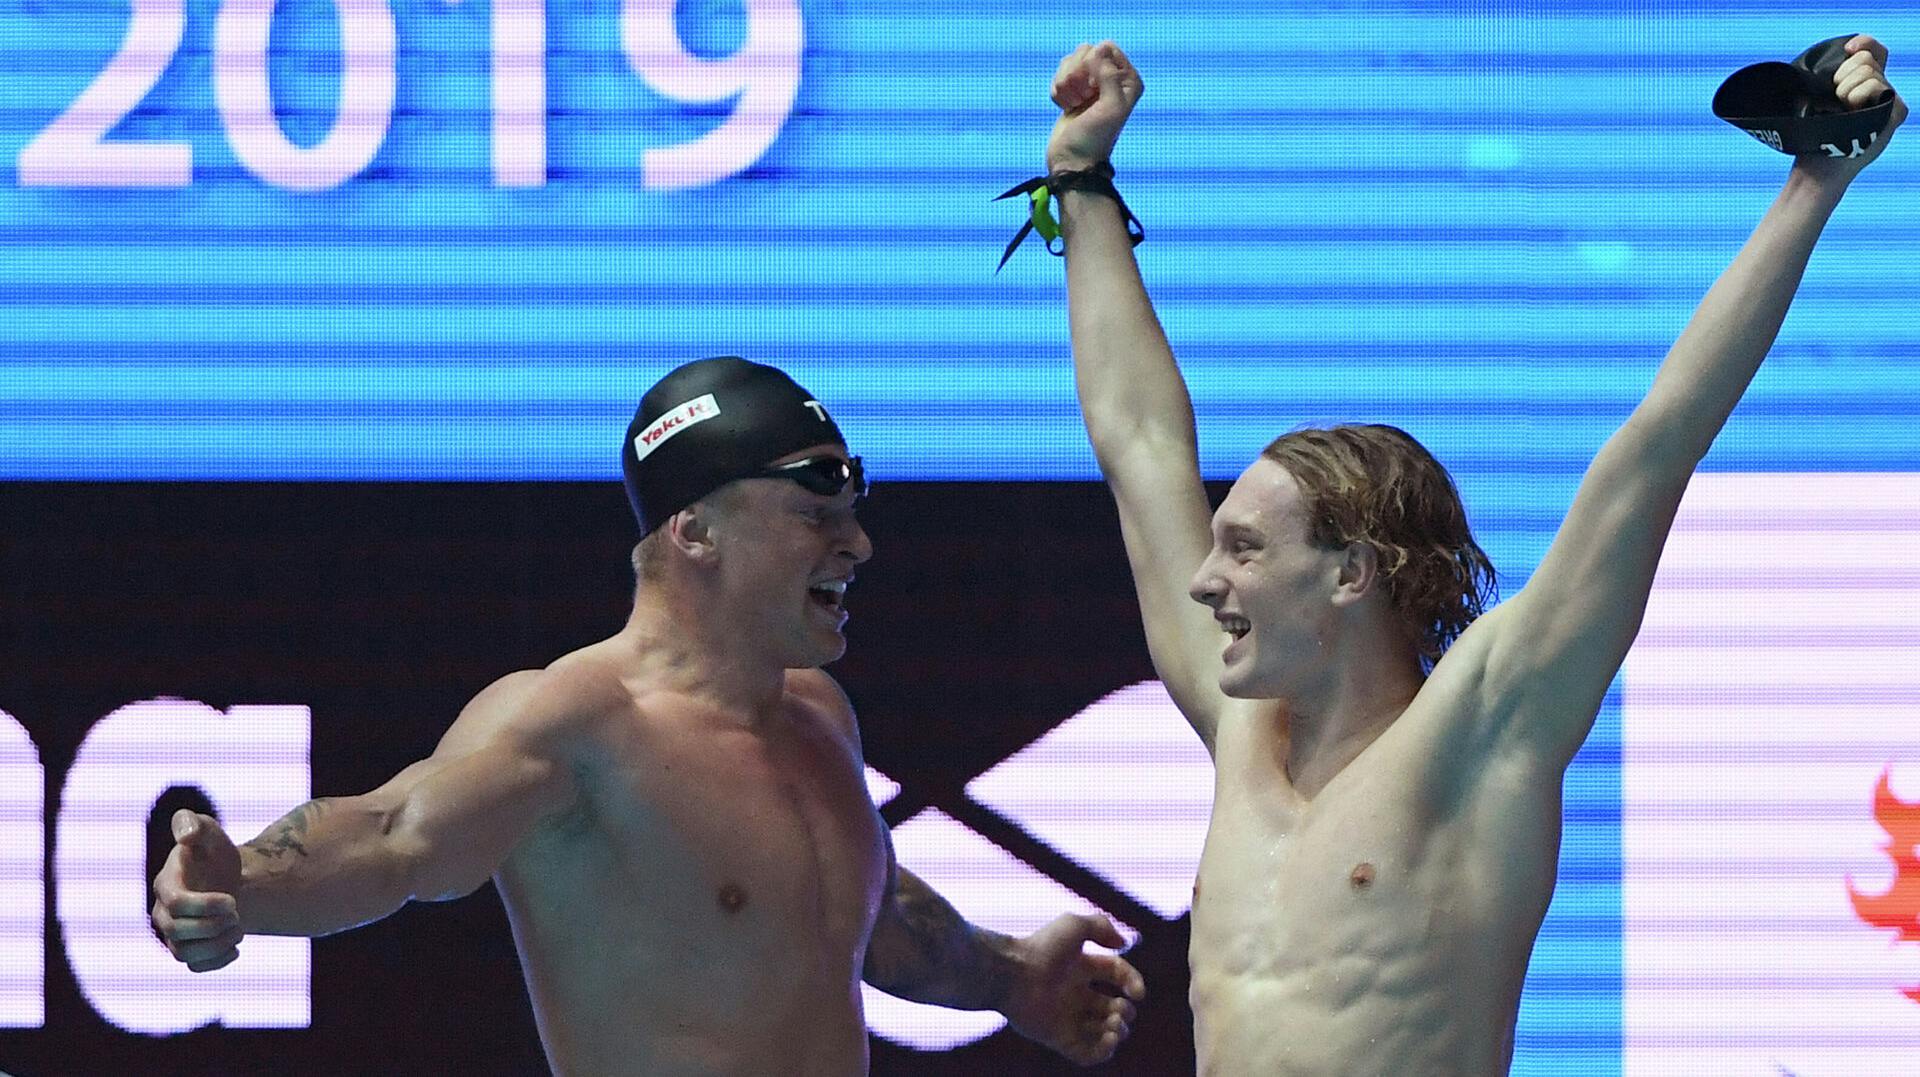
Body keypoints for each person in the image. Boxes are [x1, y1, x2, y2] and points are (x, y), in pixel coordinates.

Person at [1042, 36, 1902, 1075]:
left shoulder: (1487, 730)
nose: (1202, 579)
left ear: (1351, 572)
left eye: (1245, 548)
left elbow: (1655, 446)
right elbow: (1138, 445)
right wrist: (1080, 182)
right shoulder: (1241, 732)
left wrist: (1819, 179)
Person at [150, 356, 1145, 1075]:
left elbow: (871, 922)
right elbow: (395, 834)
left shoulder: (817, 720)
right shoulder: (579, 725)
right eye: (816, 512)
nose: (859, 545)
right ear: (694, 529)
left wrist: (1012, 977)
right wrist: (242, 884)